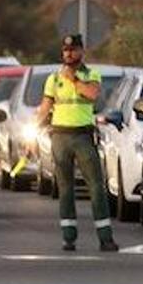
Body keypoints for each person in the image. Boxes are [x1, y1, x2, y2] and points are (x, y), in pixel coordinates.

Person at [36, 33, 118, 253]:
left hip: (82, 136)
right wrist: (35, 132)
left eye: (73, 50)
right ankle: (69, 237)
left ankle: (105, 238)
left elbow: (91, 94)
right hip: (60, 137)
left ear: (82, 51)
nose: (69, 54)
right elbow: (45, 107)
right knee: (65, 189)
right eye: (65, 50)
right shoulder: (54, 79)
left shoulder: (91, 75)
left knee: (96, 186)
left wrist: (73, 79)